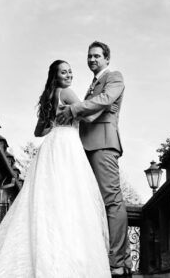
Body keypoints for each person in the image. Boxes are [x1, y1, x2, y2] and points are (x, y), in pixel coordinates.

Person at [0, 60, 111, 278]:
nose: (69, 75)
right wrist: (107, 107)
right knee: (70, 198)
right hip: (67, 145)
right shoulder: (67, 92)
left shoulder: (48, 96)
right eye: (64, 72)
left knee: (47, 199)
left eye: (70, 71)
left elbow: (38, 132)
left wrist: (54, 123)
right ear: (56, 76)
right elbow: (89, 116)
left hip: (51, 145)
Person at [57, 41, 132, 278]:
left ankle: (117, 262)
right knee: (93, 203)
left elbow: (105, 100)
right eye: (89, 56)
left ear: (107, 59)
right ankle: (119, 259)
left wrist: (72, 110)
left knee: (111, 201)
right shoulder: (92, 84)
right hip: (85, 146)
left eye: (97, 56)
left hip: (103, 143)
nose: (92, 59)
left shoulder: (114, 77)